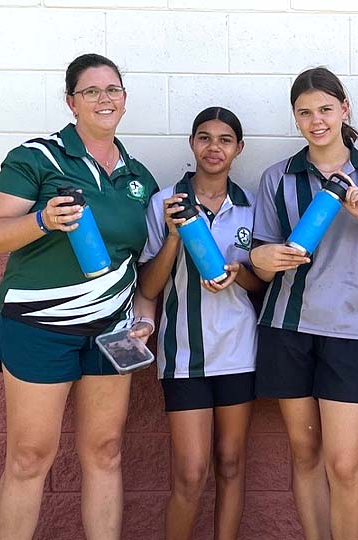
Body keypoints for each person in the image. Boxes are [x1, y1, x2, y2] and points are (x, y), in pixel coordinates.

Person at [0, 53, 158, 540]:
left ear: (124, 99)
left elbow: (140, 269)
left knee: (105, 451)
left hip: (112, 333)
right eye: (91, 91)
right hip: (38, 327)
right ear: (71, 101)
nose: (104, 99)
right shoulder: (37, 157)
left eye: (113, 90)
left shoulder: (139, 177)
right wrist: (42, 220)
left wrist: (144, 319)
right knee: (29, 456)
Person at [248, 66, 358, 540]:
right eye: (305, 112)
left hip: (348, 331)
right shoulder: (278, 176)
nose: (316, 120)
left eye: (325, 109)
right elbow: (257, 265)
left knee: (344, 462)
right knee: (306, 454)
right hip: (287, 327)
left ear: (344, 109)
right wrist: (265, 257)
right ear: (295, 118)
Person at [138, 106, 262, 540]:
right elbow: (149, 287)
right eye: (205, 138)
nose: (214, 147)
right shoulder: (164, 202)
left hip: (238, 352)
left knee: (230, 464)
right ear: (192, 143)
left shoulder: (252, 207)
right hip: (182, 355)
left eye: (225, 139)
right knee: (191, 474)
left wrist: (237, 273)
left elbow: (260, 282)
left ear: (239, 148)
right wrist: (174, 235)